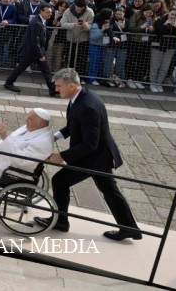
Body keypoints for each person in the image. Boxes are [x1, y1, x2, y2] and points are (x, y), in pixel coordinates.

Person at [37, 68, 142, 241]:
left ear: (71, 86)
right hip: (98, 155)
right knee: (110, 191)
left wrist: (62, 156)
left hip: (94, 157)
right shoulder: (80, 97)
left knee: (60, 181)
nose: (56, 89)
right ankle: (130, 228)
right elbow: (75, 124)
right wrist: (55, 136)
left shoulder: (88, 107)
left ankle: (60, 222)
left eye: (59, 86)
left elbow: (89, 144)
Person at [4, 3, 58, 96]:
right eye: (48, 12)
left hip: (37, 50)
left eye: (51, 12)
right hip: (30, 51)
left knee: (46, 70)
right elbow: (34, 40)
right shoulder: (36, 22)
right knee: (21, 68)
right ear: (41, 12)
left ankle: (52, 89)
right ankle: (9, 83)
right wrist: (40, 54)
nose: (50, 14)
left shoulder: (41, 20)